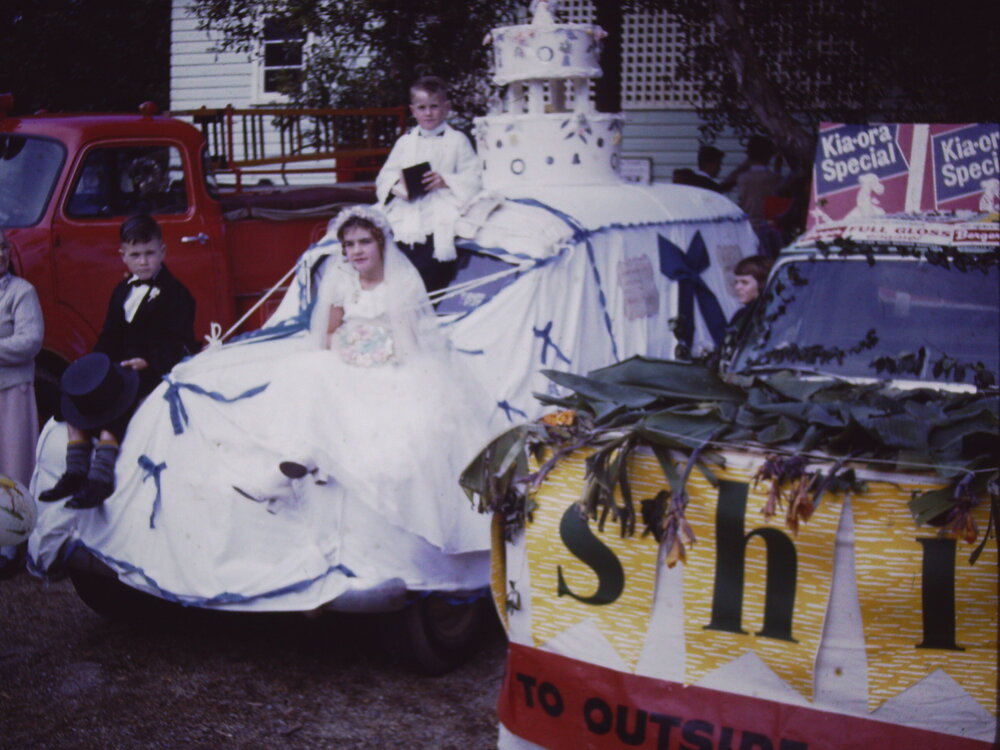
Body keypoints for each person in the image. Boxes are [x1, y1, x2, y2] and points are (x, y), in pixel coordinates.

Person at [39, 214, 196, 509]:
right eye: (135, 255)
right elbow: (109, 336)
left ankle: (100, 478)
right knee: (76, 401)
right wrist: (93, 366)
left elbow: (181, 342)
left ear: (163, 252)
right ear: (123, 256)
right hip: (119, 368)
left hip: (150, 370)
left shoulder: (177, 295)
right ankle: (75, 470)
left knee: (115, 406)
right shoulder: (122, 292)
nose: (143, 262)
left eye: (150, 253)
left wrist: (149, 361)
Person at [375, 76, 482, 295]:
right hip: (409, 204)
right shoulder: (405, 142)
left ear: (446, 108)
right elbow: (386, 175)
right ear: (413, 110)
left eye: (434, 107)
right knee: (397, 241)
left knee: (433, 253)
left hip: (442, 202)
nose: (428, 113)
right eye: (422, 108)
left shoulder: (458, 140)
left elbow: (473, 176)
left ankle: (431, 290)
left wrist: (446, 181)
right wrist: (398, 185)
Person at [0, 228, 44, 577]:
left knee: (14, 466)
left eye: (0, 248)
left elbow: (29, 341)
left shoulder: (21, 292)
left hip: (12, 389)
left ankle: (13, 545)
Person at [726, 254, 773, 346]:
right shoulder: (740, 316)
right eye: (736, 282)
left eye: (744, 282)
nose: (737, 287)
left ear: (762, 284)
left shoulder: (775, 314)